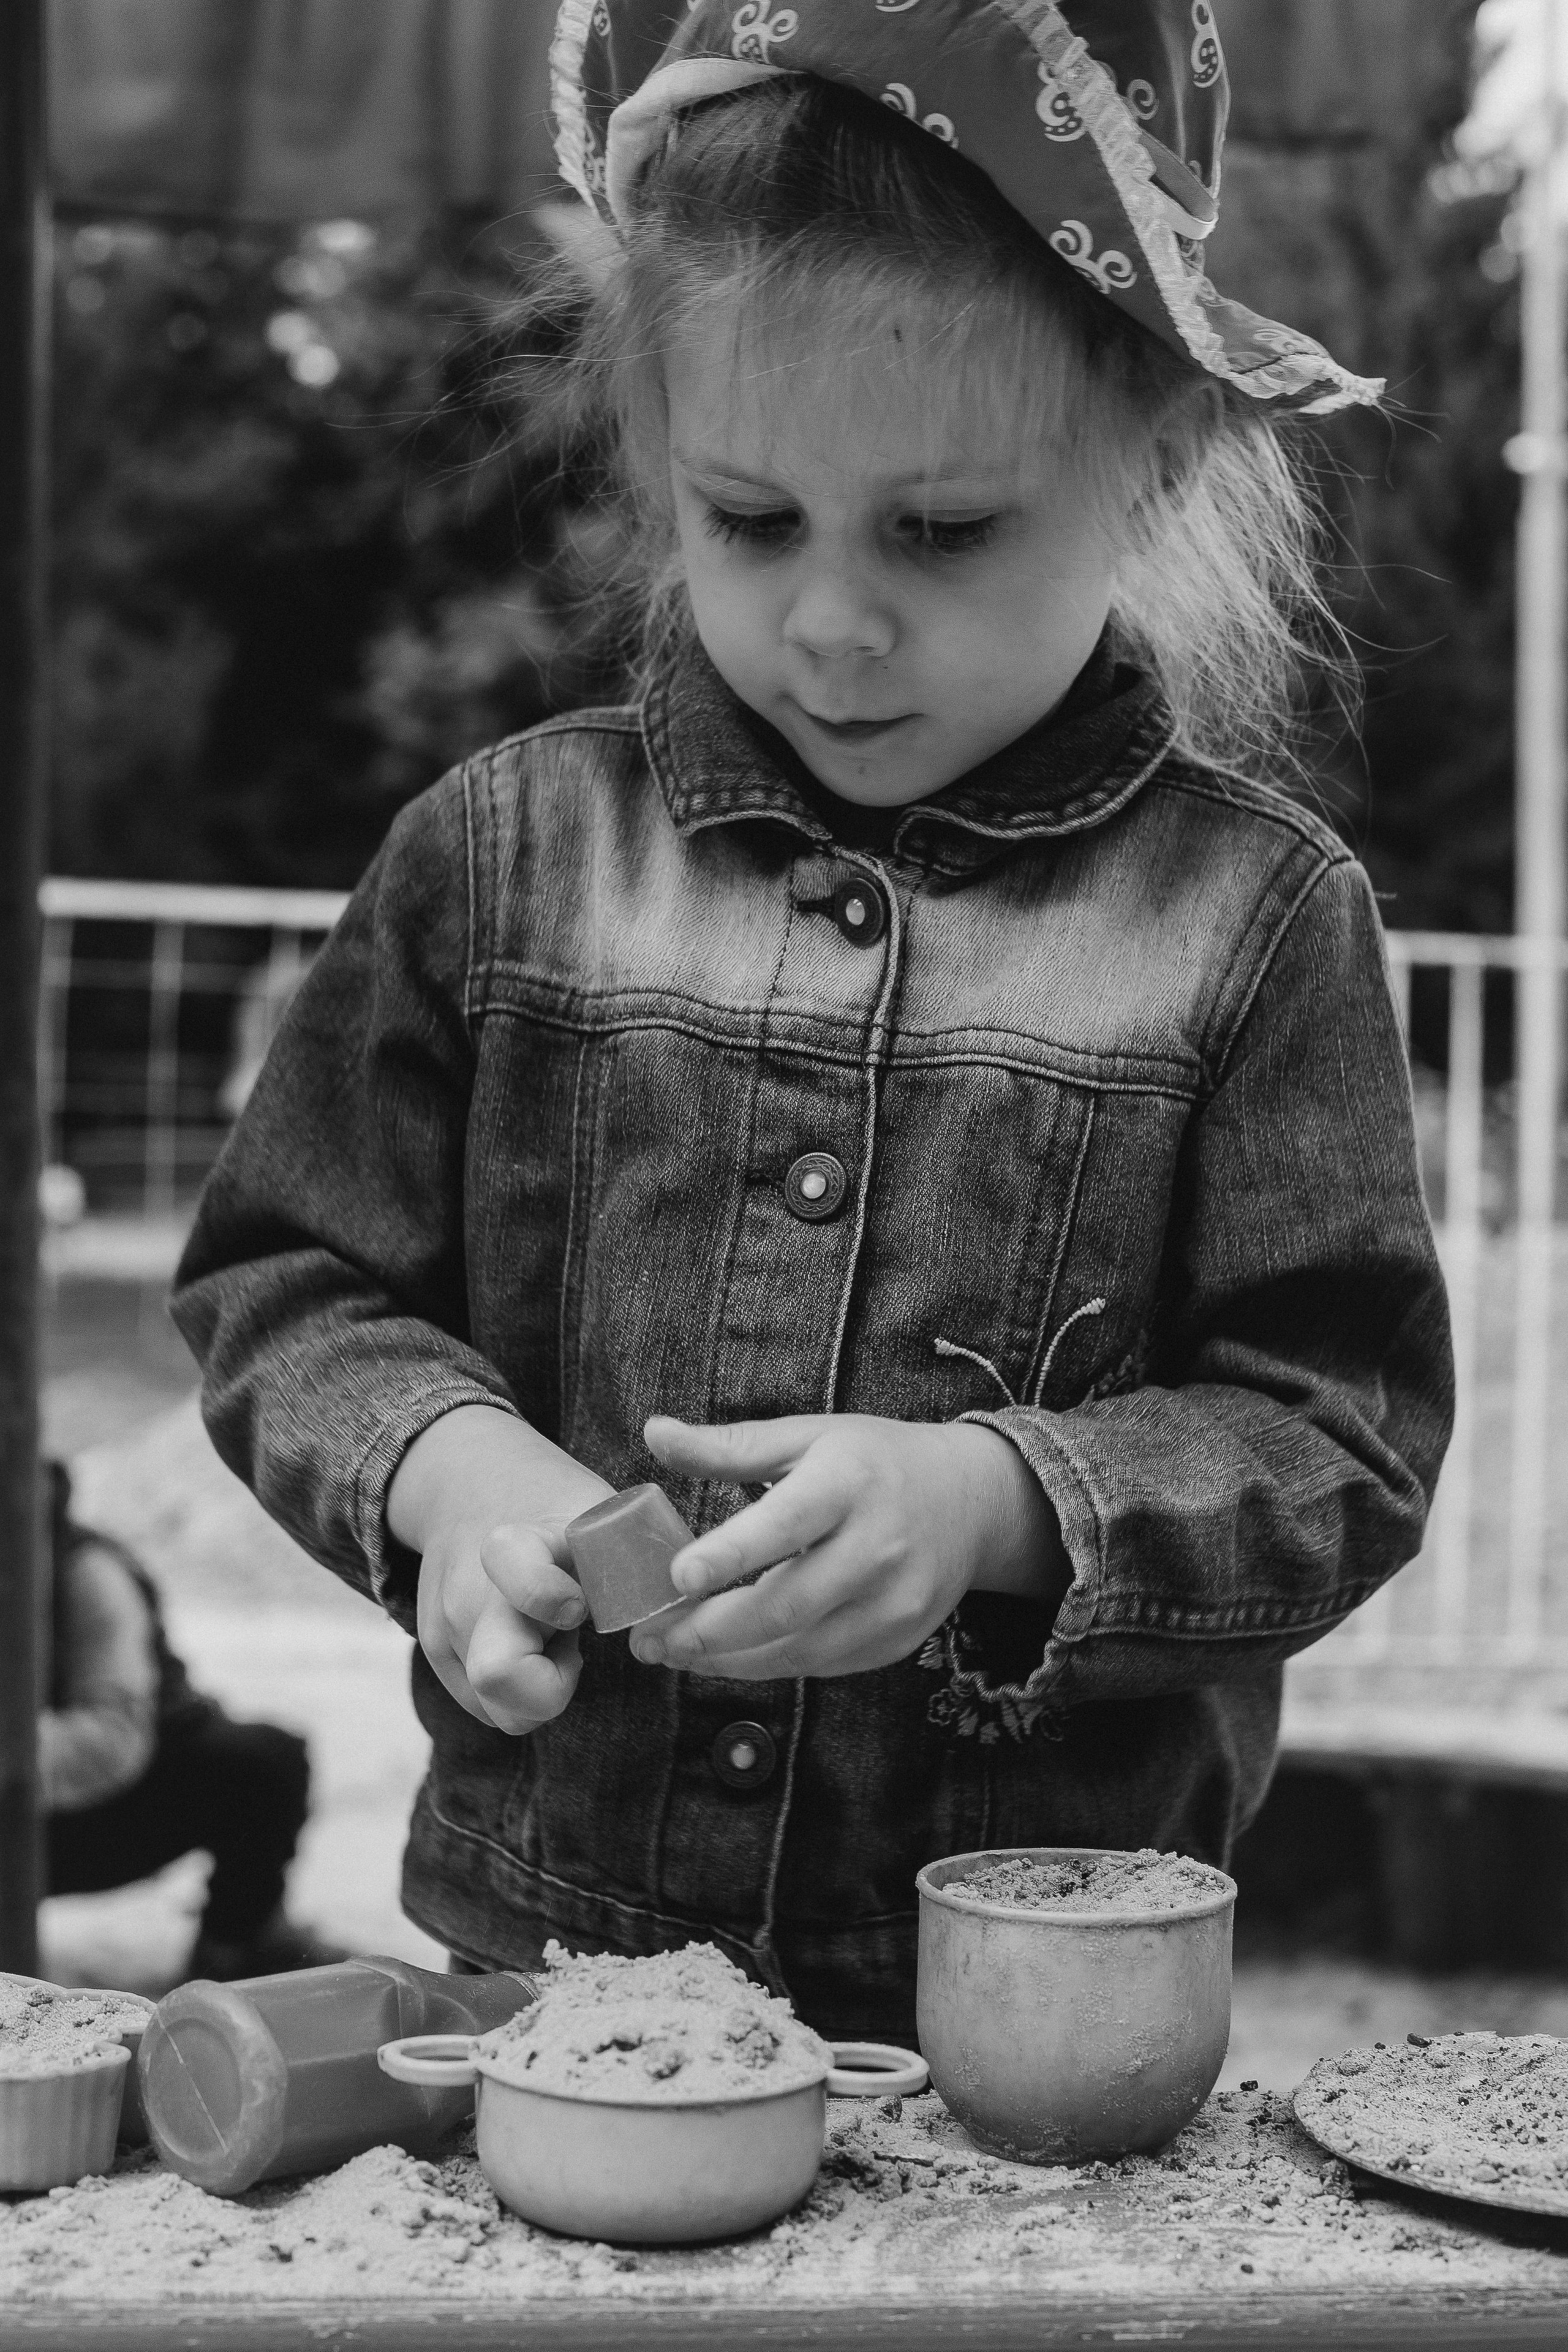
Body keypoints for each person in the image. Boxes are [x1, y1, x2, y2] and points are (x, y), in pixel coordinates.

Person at [170, 1, 1453, 2041]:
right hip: (550, 1991)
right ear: (655, 449)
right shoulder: (493, 857)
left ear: (1157, 453)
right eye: (749, 518)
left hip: (1022, 2019)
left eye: (942, 531)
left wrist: (996, 1507)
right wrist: (452, 1480)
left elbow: (1340, 1441)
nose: (834, 620)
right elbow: (286, 1278)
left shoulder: (1261, 921)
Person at [43, 1461, 344, 1981]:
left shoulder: (87, 1575)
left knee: (264, 1764)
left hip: (109, 1808)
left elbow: (109, 1745)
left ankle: (232, 1952)